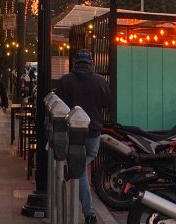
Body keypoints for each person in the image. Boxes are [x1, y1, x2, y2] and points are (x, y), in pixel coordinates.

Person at [55, 49, 111, 224]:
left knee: (78, 168)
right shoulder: (100, 81)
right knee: (85, 162)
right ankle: (89, 213)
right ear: (91, 63)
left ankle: (89, 211)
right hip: (93, 130)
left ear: (75, 62)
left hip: (72, 132)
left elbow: (58, 106)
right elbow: (107, 103)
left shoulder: (65, 81)